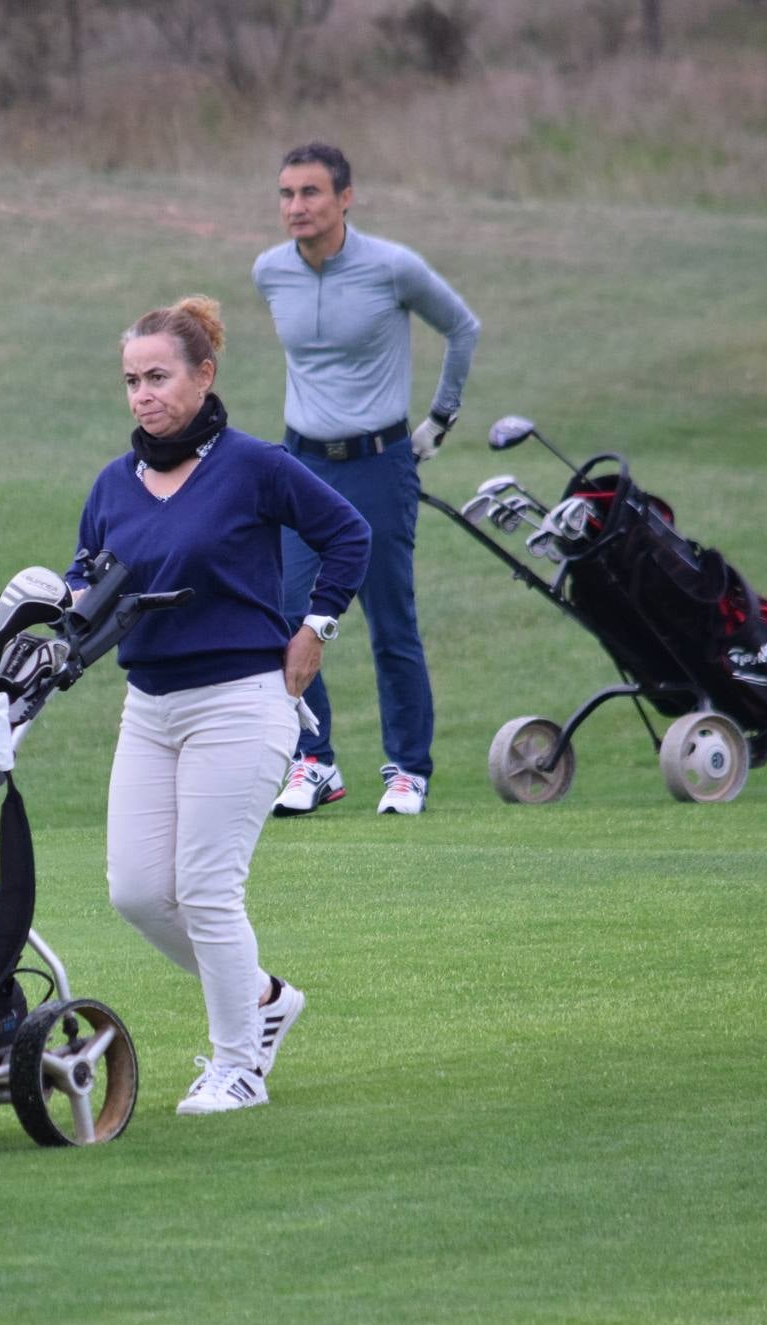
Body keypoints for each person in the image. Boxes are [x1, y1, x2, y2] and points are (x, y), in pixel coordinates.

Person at [66, 295, 370, 1115]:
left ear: (203, 374)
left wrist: (315, 625)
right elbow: (83, 580)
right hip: (150, 707)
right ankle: (264, 999)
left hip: (241, 702)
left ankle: (239, 1066)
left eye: (158, 376)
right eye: (131, 381)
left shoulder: (254, 465)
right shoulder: (111, 484)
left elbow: (348, 534)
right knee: (136, 892)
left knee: (204, 890)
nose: (142, 395)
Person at [254, 141, 480, 818]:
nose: (296, 207)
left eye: (311, 193)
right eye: (287, 194)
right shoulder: (269, 272)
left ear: (344, 198)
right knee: (290, 615)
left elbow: (461, 329)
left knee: (389, 623)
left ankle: (407, 769)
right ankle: (314, 762)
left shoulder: (392, 268)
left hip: (379, 464)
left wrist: (440, 419)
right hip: (301, 464)